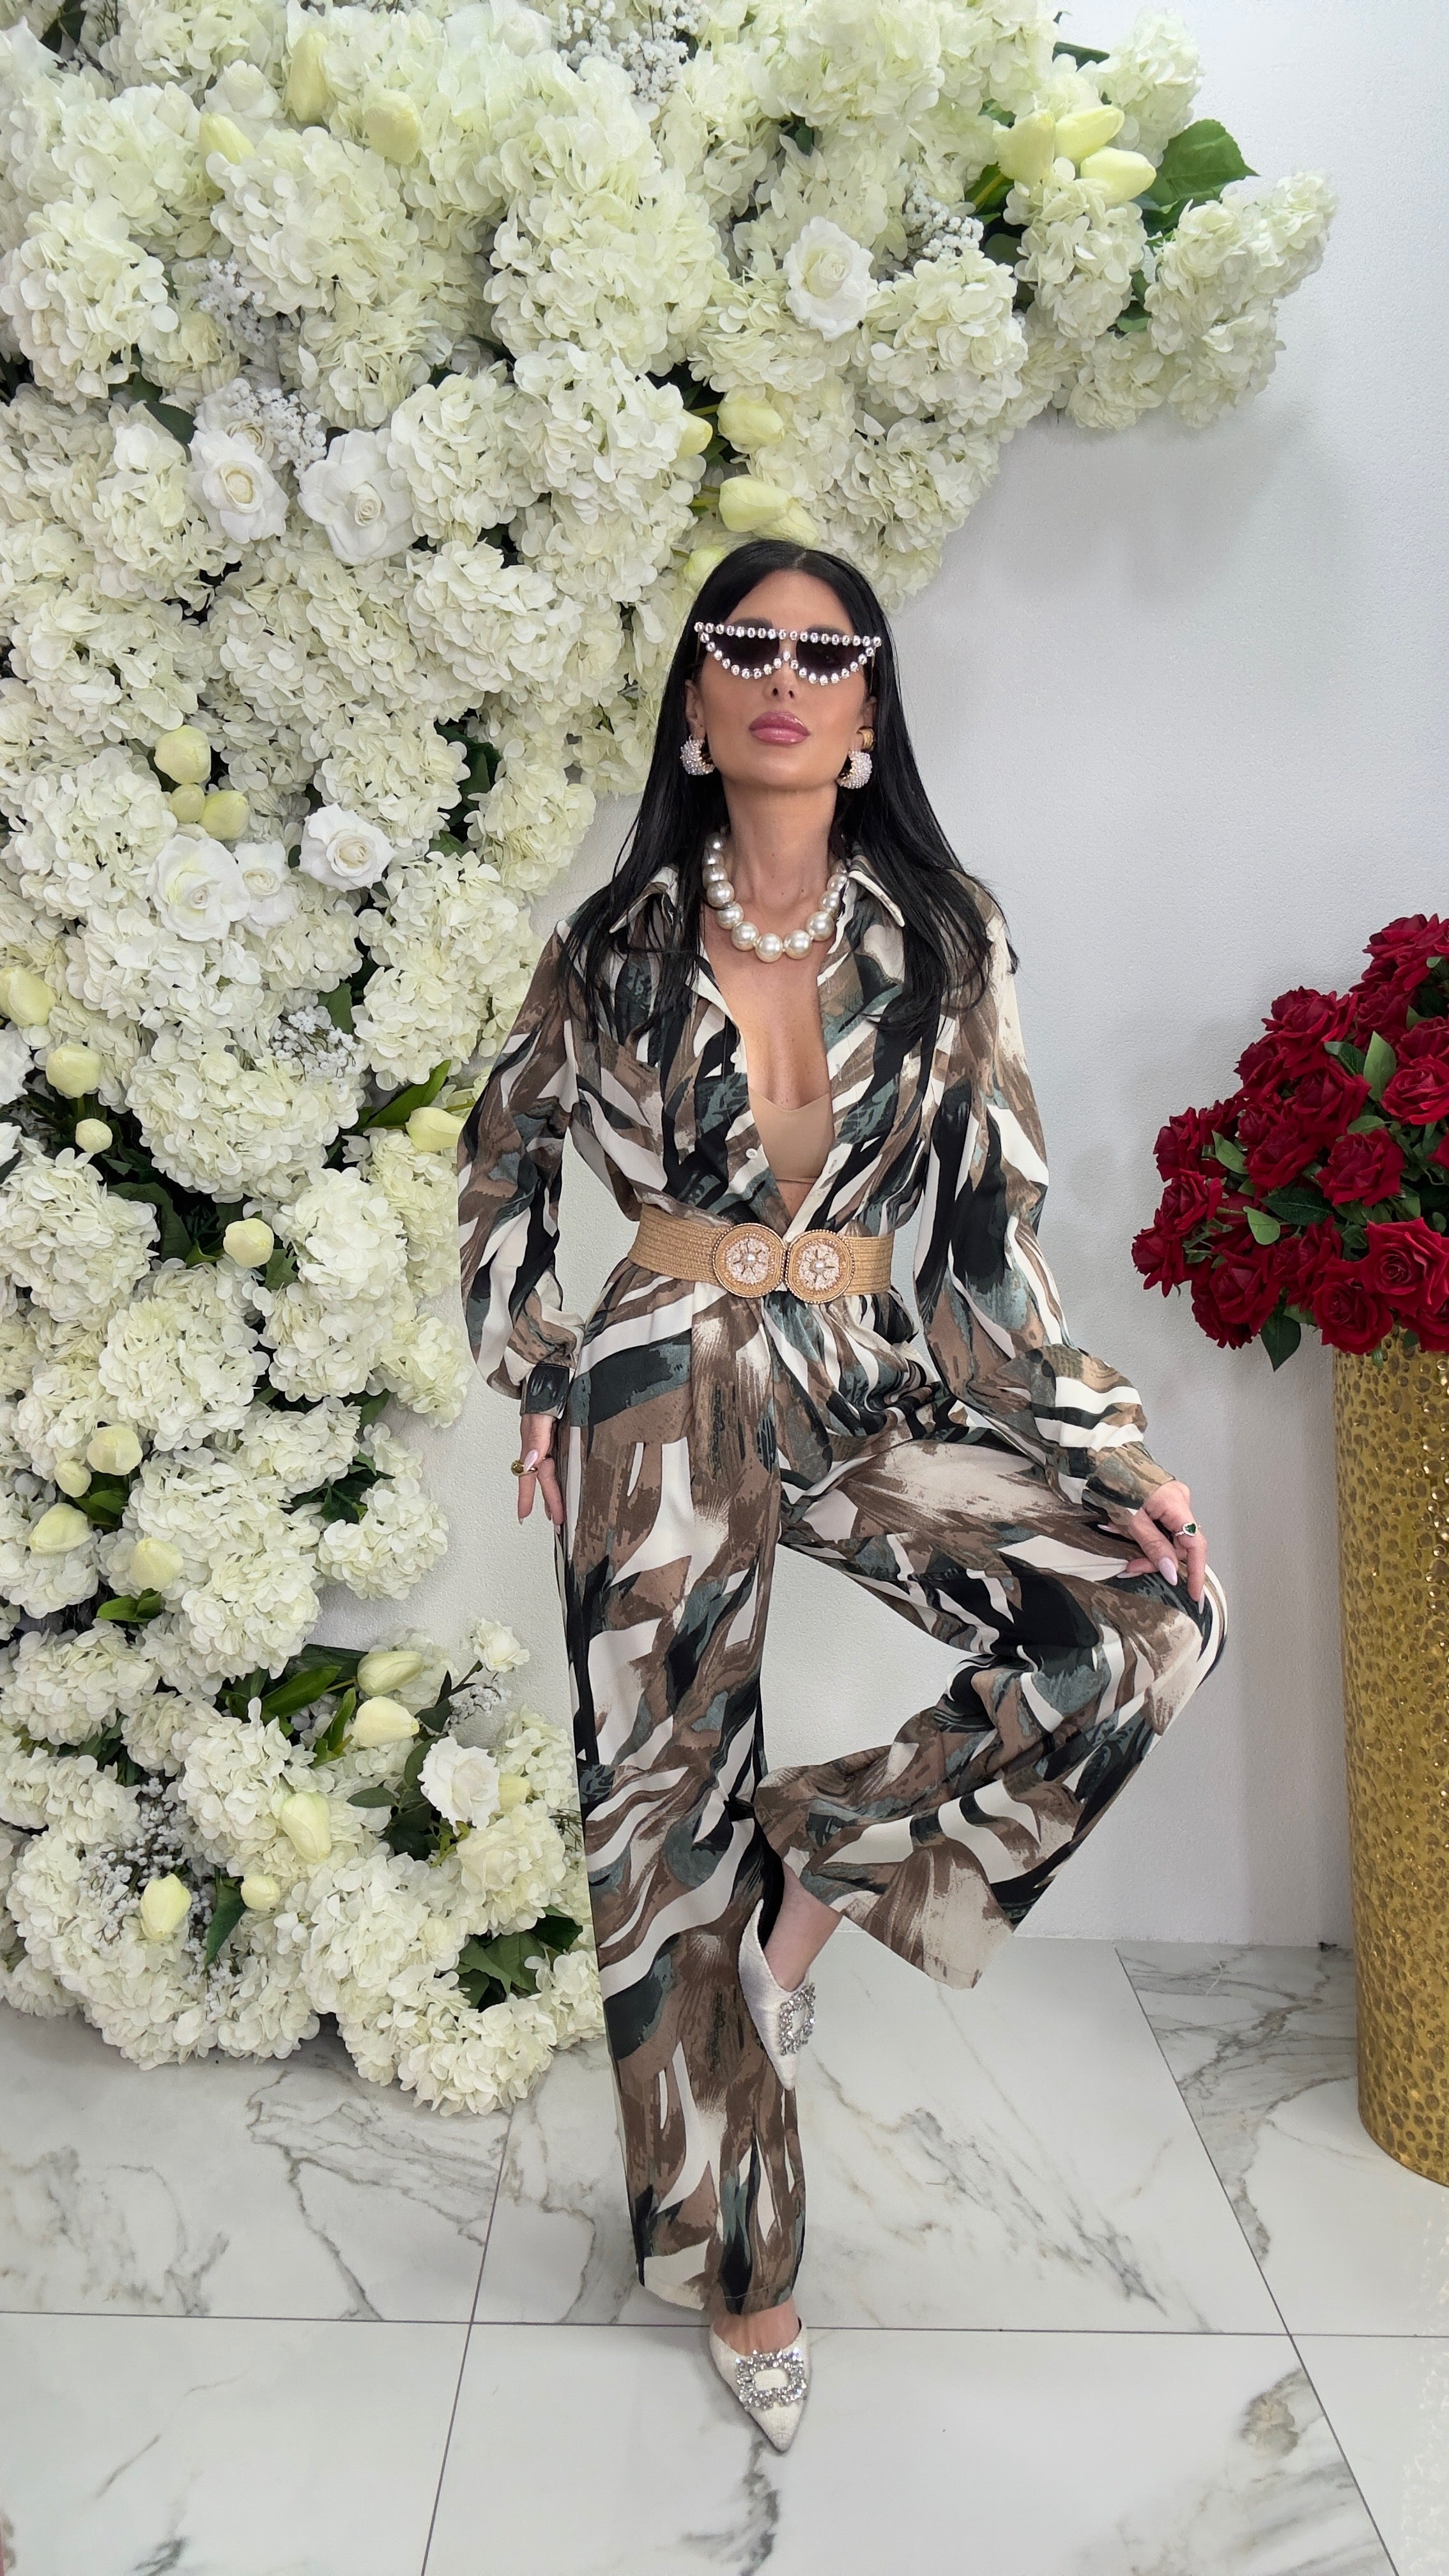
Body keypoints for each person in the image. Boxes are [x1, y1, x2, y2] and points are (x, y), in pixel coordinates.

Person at [456, 537, 1227, 2451]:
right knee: (659, 1816)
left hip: (878, 1367)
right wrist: (538, 1368)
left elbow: (996, 1240)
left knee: (1146, 1623)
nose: (781, 677)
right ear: (696, 702)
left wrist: (1105, 1454)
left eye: (824, 652)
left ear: (871, 707)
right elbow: (502, 1156)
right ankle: (745, 2268)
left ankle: (815, 1876)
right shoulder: (616, 940)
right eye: (744, 646)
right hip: (661, 1371)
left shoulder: (947, 937)